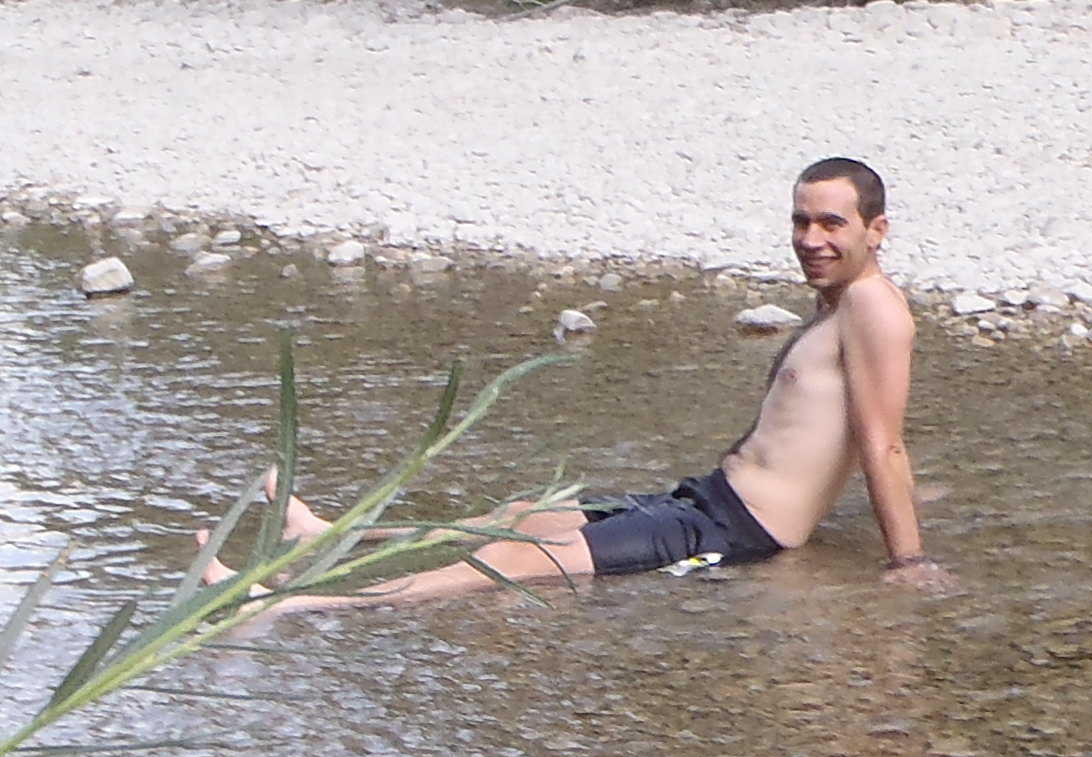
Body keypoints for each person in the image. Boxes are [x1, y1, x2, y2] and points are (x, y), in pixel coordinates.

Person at [224, 157, 944, 601]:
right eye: (800, 221)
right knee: (520, 514)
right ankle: (329, 536)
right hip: (708, 500)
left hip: (737, 529)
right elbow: (842, 434)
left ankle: (293, 604)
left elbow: (882, 442)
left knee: (514, 561)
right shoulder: (840, 304)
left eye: (831, 224)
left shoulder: (875, 309)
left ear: (876, 230)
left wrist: (906, 561)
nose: (811, 239)